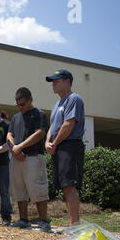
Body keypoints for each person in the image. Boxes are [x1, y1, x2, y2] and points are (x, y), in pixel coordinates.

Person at [7, 87, 51, 232]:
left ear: (31, 100)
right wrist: (15, 149)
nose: (20, 107)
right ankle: (24, 219)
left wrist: (20, 147)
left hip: (33, 157)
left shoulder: (39, 114)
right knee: (19, 190)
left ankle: (44, 221)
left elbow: (40, 133)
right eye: (18, 104)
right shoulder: (15, 117)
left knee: (37, 188)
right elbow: (9, 134)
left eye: (23, 104)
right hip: (16, 158)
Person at [45, 69, 85, 226]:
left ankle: (74, 225)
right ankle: (73, 225)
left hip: (70, 146)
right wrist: (47, 141)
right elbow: (52, 127)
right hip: (59, 148)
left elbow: (68, 124)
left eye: (57, 80)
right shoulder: (57, 104)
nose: (53, 84)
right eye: (52, 81)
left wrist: (54, 143)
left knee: (69, 186)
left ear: (67, 81)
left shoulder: (74, 99)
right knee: (64, 187)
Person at [0, 104, 13, 226]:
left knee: (4, 190)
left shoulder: (6, 125)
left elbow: (8, 144)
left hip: (2, 162)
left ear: (0, 113)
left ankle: (6, 215)